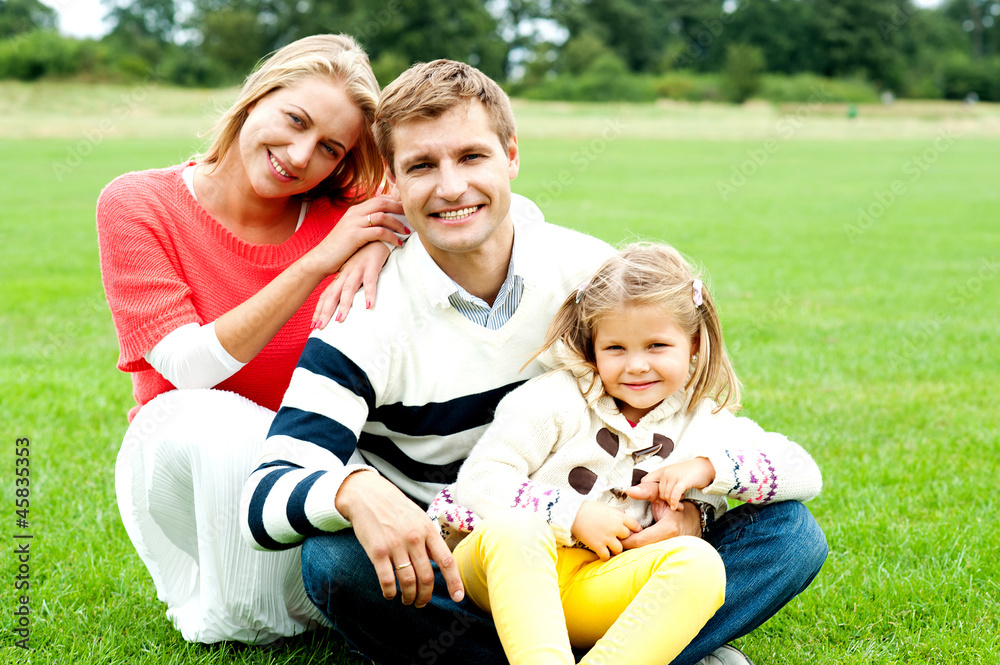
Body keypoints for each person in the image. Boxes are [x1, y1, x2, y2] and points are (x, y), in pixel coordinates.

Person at [241, 59, 828, 665]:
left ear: (511, 156)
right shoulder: (362, 315)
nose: (449, 187)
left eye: (471, 157)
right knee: (334, 563)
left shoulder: (588, 274)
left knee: (790, 537)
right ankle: (652, 648)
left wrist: (692, 515)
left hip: (612, 551)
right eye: (422, 166)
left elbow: (681, 421)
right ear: (391, 179)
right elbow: (262, 497)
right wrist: (354, 489)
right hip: (457, 570)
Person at [96, 34, 408, 645]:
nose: (298, 155)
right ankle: (253, 600)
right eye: (295, 120)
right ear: (256, 95)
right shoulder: (138, 203)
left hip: (308, 464)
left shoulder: (345, 213)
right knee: (213, 420)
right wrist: (319, 261)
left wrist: (377, 235)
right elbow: (187, 367)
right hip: (187, 459)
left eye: (329, 148)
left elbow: (483, 205)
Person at [428, 242, 824, 665]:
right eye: (616, 348)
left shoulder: (703, 422)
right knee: (518, 530)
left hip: (600, 586)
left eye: (656, 346)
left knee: (701, 565)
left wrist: (709, 469)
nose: (636, 365)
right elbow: (479, 481)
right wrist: (572, 515)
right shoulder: (555, 400)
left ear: (693, 344)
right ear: (592, 344)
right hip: (505, 574)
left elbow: (805, 472)